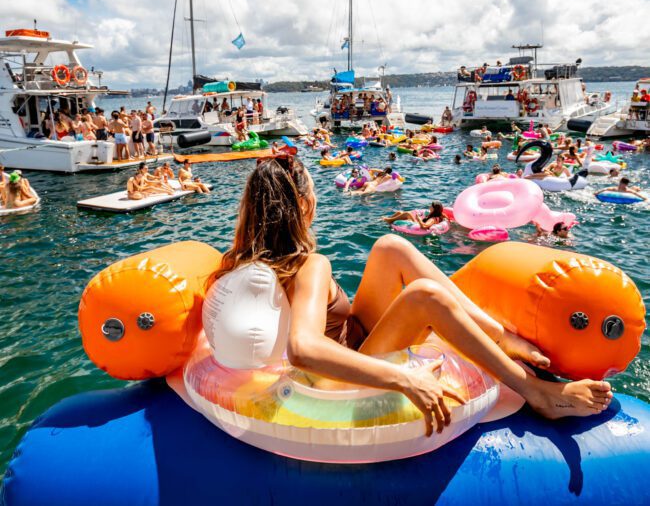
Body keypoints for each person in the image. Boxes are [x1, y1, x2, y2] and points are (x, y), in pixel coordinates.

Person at [210, 156, 612, 436]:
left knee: (391, 246)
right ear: (301, 205)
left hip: (354, 341)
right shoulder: (309, 265)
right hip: (336, 376)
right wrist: (402, 378)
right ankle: (535, 390)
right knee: (424, 298)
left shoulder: (239, 263)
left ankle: (499, 336)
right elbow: (303, 348)